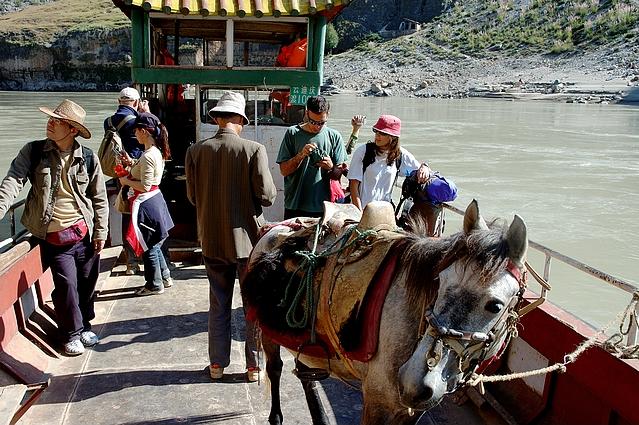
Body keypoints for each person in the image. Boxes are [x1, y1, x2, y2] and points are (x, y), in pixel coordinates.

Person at [0, 99, 109, 356]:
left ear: (72, 129)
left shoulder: (88, 158)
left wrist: (101, 231)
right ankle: (70, 334)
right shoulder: (34, 152)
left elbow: (100, 198)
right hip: (53, 237)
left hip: (83, 233)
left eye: (57, 121)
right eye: (50, 118)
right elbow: (12, 182)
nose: (50, 123)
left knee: (86, 283)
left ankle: (85, 326)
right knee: (67, 286)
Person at [185, 91, 276, 382]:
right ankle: (253, 366)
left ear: (216, 118)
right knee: (252, 305)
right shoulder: (253, 150)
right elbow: (267, 197)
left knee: (218, 303)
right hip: (247, 242)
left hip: (211, 240)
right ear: (239, 119)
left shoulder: (196, 151)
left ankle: (216, 365)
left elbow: (192, 197)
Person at [118, 112, 174, 296]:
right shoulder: (154, 152)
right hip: (155, 200)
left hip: (147, 202)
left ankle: (153, 284)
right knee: (155, 242)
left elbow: (145, 185)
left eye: (136, 130)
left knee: (148, 245)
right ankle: (164, 276)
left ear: (143, 131)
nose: (135, 134)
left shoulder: (149, 155)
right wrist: (133, 163)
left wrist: (126, 181)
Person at [276, 95, 348, 219]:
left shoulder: (334, 136)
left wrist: (331, 167)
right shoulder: (293, 133)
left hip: (325, 207)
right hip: (295, 204)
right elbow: (284, 171)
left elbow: (338, 175)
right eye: (313, 122)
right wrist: (300, 155)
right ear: (306, 113)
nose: (317, 126)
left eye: (321, 123)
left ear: (328, 115)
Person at [104, 87, 150, 276]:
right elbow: (153, 138)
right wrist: (146, 114)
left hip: (119, 173)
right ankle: (147, 259)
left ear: (118, 101)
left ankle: (130, 261)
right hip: (137, 173)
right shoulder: (136, 121)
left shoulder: (107, 121)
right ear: (137, 102)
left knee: (125, 213)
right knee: (142, 215)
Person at [348, 114, 431, 211]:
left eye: (383, 133)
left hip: (384, 212)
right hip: (361, 209)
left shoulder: (400, 155)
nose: (377, 135)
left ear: (393, 137)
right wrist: (359, 214)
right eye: (376, 131)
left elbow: (418, 169)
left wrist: (424, 167)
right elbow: (353, 185)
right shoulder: (363, 151)